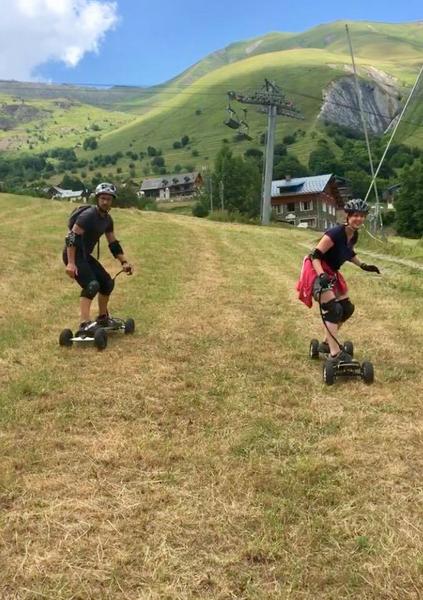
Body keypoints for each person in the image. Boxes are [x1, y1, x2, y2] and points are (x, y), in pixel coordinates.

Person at [296, 198, 380, 363]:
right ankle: (335, 354)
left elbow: (349, 253)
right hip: (317, 269)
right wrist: (321, 276)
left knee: (346, 309)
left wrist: (363, 265)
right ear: (348, 216)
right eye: (355, 215)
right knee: (333, 309)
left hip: (331, 271)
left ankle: (327, 343)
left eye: (362, 215)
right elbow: (315, 255)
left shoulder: (353, 235)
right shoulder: (335, 233)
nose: (359, 219)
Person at [63, 182, 133, 334]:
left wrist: (124, 261)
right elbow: (71, 237)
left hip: (85, 256)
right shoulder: (88, 215)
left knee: (107, 283)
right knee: (92, 285)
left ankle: (102, 318)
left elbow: (113, 243)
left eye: (108, 199)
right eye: (103, 198)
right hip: (74, 255)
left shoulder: (107, 220)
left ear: (112, 201)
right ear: (97, 199)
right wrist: (71, 263)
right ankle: (84, 324)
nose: (105, 202)